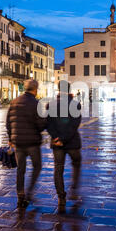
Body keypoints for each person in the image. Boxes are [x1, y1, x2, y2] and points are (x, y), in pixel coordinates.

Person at [7, 80, 47, 209]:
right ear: (35, 89)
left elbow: (8, 123)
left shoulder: (14, 102)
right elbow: (41, 125)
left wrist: (10, 138)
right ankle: (29, 192)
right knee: (37, 166)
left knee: (20, 169)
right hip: (32, 143)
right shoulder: (36, 104)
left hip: (18, 142)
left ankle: (20, 195)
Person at [47, 81, 82, 212]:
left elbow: (48, 124)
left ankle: (61, 196)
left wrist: (57, 138)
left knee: (58, 168)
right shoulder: (75, 104)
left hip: (57, 144)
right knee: (76, 163)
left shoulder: (51, 105)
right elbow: (75, 125)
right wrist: (65, 138)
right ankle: (74, 187)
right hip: (72, 142)